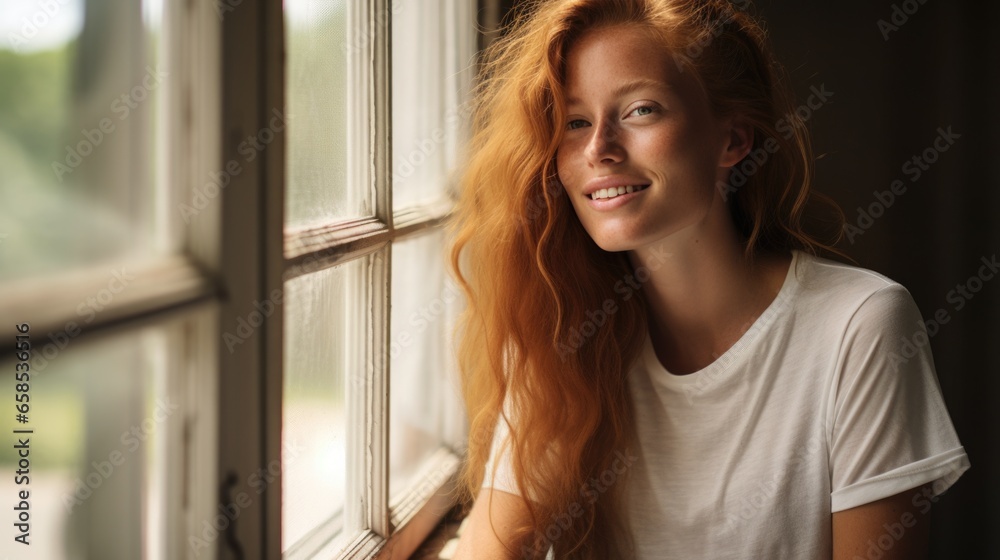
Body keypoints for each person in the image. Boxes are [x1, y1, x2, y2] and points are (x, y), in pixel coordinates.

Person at [447, 1, 970, 558]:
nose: (598, 149)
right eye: (575, 122)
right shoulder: (563, 331)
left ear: (733, 140)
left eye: (641, 110)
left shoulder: (860, 325)